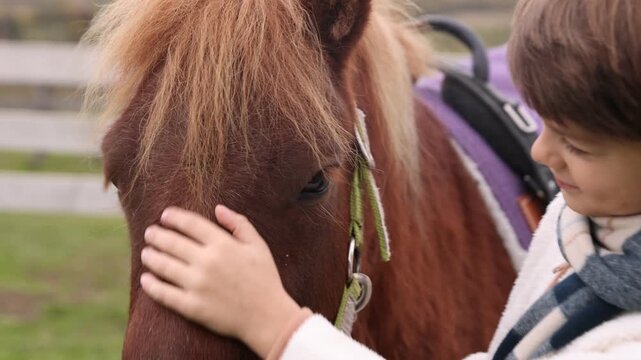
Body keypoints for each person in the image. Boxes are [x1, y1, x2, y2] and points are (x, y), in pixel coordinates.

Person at [137, 0, 641, 358]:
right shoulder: (581, 214)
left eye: (578, 145)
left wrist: (279, 328)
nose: (541, 150)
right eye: (544, 122)